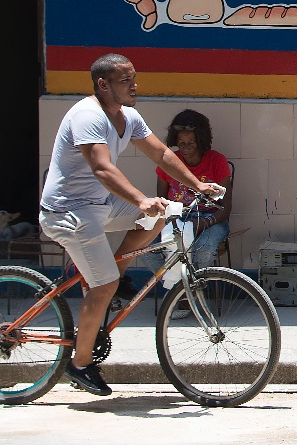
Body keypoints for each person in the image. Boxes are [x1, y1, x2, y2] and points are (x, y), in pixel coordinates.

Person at [39, 53, 223, 397]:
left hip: (99, 206)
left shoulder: (130, 117)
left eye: (134, 78)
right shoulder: (87, 115)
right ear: (103, 85)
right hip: (69, 211)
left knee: (161, 213)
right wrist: (140, 199)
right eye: (126, 80)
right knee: (104, 282)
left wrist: (197, 184)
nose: (134, 85)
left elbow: (162, 155)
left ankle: (115, 276)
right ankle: (79, 364)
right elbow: (102, 168)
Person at [155, 110, 233, 318]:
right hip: (177, 220)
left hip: (211, 220)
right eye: (181, 142)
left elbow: (225, 208)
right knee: (148, 247)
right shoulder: (169, 161)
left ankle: (195, 292)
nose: (186, 147)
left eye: (191, 142)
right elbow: (161, 201)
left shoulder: (217, 161)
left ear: (201, 140)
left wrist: (204, 223)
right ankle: (177, 289)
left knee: (205, 246)